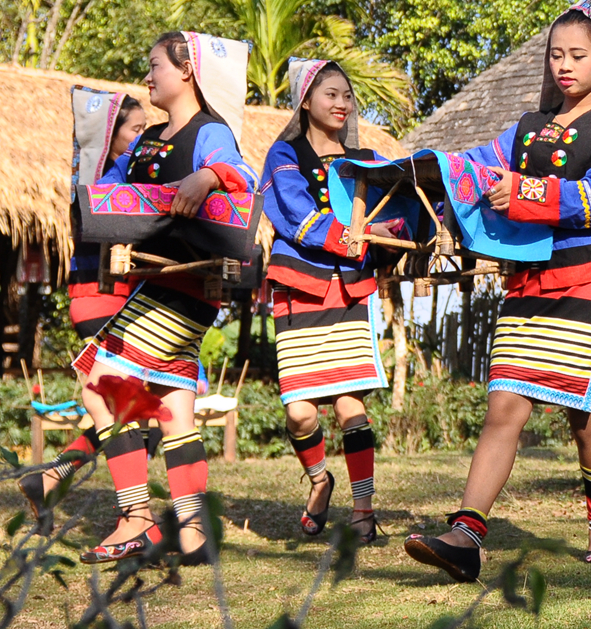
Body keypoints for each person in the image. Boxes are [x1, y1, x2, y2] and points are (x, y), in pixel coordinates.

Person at [404, 0, 591, 582]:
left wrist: (529, 193)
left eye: (578, 56)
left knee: (583, 416)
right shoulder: (525, 129)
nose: (564, 65)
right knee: (504, 405)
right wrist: (417, 174)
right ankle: (466, 536)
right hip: (530, 278)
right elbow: (472, 169)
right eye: (555, 55)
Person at [68, 31, 256, 564]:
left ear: (187, 70)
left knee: (99, 385)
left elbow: (242, 175)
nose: (148, 77)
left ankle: (136, 517)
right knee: (175, 408)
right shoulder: (148, 138)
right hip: (156, 283)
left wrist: (207, 174)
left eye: (155, 66)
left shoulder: (209, 133)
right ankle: (194, 538)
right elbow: (112, 189)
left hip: (191, 283)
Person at [260, 58, 398, 545]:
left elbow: (395, 211)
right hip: (299, 289)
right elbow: (295, 213)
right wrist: (355, 233)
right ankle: (320, 480)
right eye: (330, 95)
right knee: (299, 410)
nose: (341, 104)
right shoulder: (283, 155)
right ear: (306, 100)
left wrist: (397, 227)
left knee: (349, 405)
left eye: (346, 95)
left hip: (349, 290)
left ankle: (363, 508)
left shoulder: (367, 159)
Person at [20, 91, 152, 525]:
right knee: (124, 409)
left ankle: (51, 480)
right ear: (110, 136)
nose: (142, 137)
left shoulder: (113, 173)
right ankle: (132, 512)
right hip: (100, 299)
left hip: (110, 300)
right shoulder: (107, 180)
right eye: (135, 129)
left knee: (135, 407)